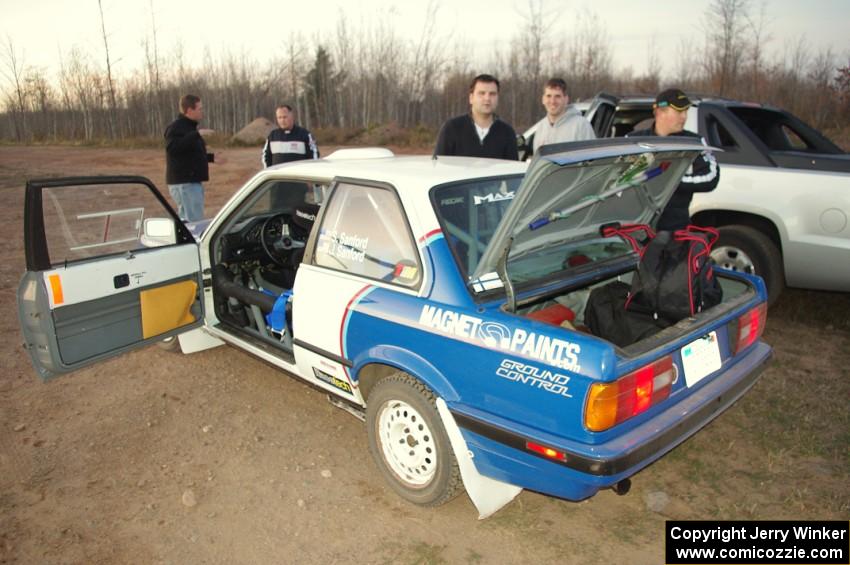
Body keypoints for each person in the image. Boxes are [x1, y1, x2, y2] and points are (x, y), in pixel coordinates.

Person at [627, 88, 719, 231]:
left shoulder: (693, 142)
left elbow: (711, 178)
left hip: (675, 231)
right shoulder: (633, 141)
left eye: (686, 111)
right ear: (660, 112)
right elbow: (620, 179)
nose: (684, 117)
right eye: (679, 111)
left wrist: (670, 180)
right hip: (635, 229)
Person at [435, 74, 518, 160]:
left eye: (492, 94)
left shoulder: (507, 133)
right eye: (482, 93)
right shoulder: (452, 128)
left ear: (498, 98)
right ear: (471, 98)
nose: (487, 98)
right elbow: (439, 167)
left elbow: (513, 169)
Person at [164, 94, 216, 222]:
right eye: (200, 109)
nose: (202, 111)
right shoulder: (176, 127)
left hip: (189, 183)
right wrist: (196, 134)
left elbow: (191, 153)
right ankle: (193, 242)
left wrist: (212, 158)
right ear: (189, 110)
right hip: (185, 184)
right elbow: (172, 148)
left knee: (186, 223)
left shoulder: (189, 128)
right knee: (194, 223)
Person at [531, 78, 595, 152]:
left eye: (557, 96)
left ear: (566, 99)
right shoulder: (541, 128)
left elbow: (592, 160)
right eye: (548, 96)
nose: (552, 101)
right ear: (543, 99)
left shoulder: (581, 126)